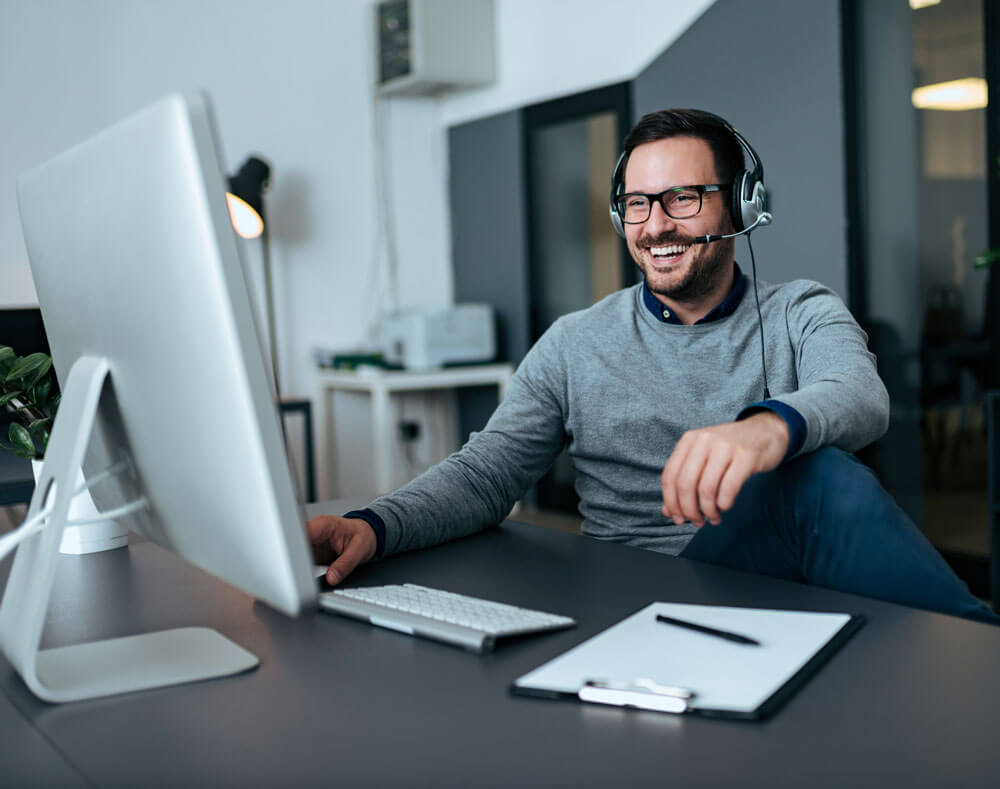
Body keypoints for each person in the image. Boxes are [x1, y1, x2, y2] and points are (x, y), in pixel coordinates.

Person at [309, 108, 997, 624]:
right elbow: (487, 471)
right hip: (632, 594)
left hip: (771, 582)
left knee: (812, 476)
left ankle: (977, 658)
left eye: (683, 198)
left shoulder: (800, 311)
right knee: (812, 478)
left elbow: (859, 392)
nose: (656, 224)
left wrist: (766, 429)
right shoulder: (575, 341)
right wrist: (374, 525)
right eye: (638, 203)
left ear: (743, 204)